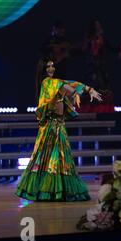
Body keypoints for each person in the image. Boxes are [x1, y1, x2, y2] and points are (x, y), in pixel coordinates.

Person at [16, 58, 102, 201]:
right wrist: (74, 93)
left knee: (61, 159)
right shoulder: (47, 83)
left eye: (53, 66)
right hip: (50, 127)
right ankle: (48, 191)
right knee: (50, 159)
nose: (51, 69)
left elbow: (69, 83)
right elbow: (64, 86)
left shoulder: (55, 83)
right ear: (43, 69)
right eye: (48, 67)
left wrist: (89, 89)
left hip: (59, 125)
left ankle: (58, 191)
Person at [82, 19, 121, 91]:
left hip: (101, 65)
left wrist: (120, 49)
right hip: (92, 65)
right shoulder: (89, 38)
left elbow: (110, 47)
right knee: (96, 84)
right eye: (96, 25)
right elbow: (87, 50)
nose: (98, 27)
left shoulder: (102, 38)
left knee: (105, 84)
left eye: (99, 25)